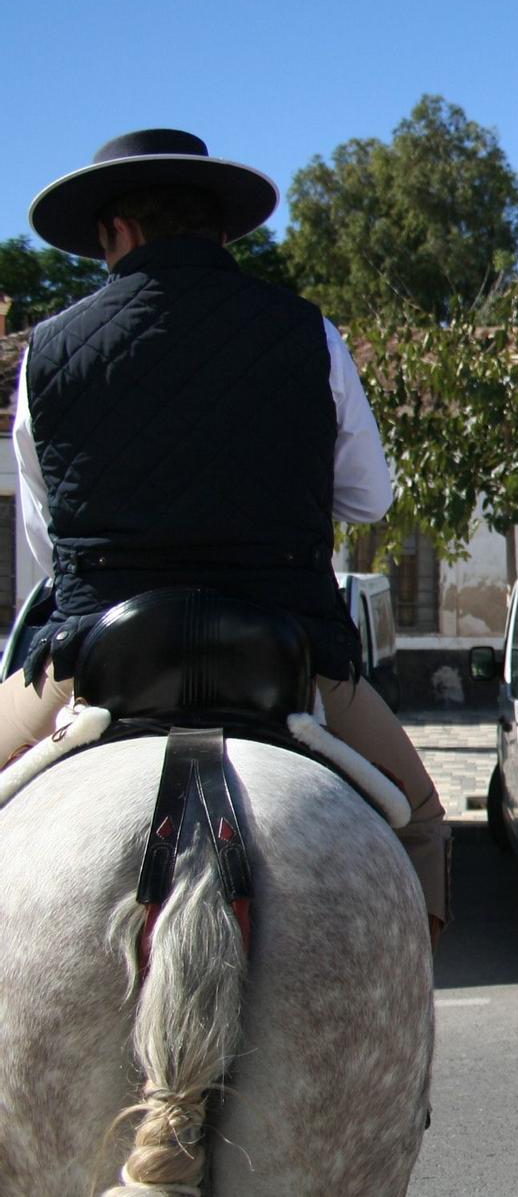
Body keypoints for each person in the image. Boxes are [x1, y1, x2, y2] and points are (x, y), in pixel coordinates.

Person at [2, 129, 449, 942]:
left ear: (120, 232)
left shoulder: (48, 352)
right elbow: (368, 494)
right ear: (218, 232)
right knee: (419, 815)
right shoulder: (307, 331)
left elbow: (45, 547)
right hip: (283, 644)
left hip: (102, 652)